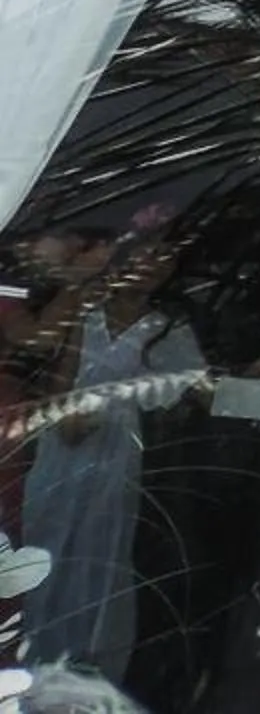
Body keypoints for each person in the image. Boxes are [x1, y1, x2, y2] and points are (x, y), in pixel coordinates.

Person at [20, 223, 207, 678]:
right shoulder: (86, 311)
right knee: (46, 541)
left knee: (100, 548)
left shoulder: (168, 329)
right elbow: (61, 375)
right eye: (148, 254)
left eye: (166, 258)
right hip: (64, 439)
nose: (156, 265)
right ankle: (30, 655)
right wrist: (63, 415)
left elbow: (202, 386)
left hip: (115, 447)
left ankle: (82, 666)